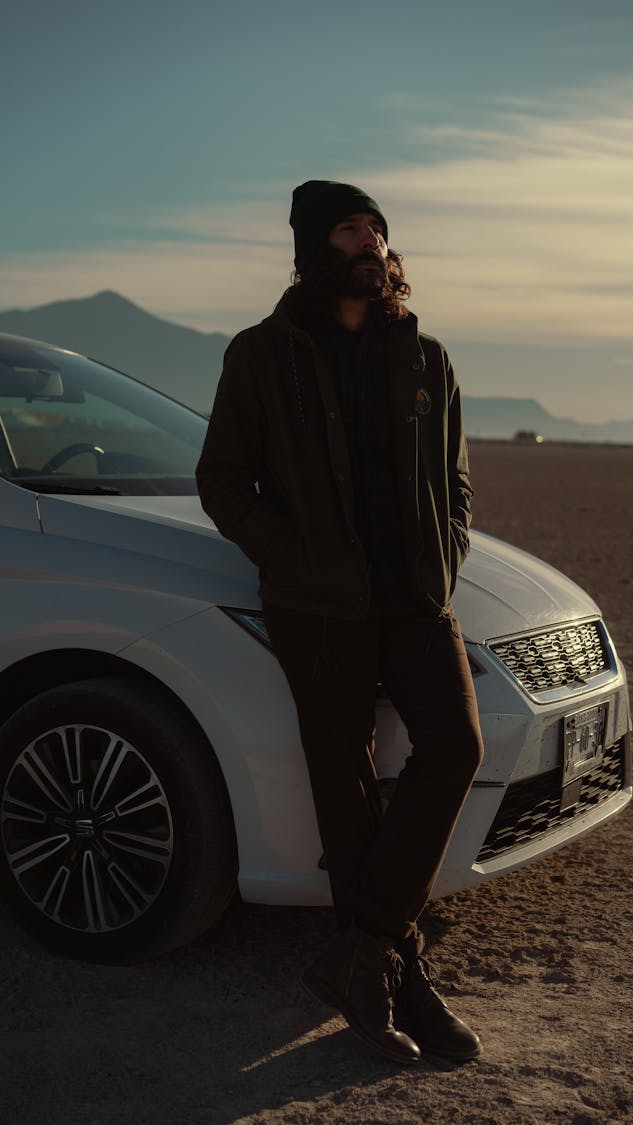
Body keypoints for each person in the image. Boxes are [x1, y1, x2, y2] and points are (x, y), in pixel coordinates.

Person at [196, 180, 484, 1066]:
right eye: (350, 228)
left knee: (455, 747)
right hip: (317, 602)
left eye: (377, 229)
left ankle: (363, 955)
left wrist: (445, 555)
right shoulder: (263, 354)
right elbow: (223, 480)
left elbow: (459, 483)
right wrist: (293, 557)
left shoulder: (426, 357)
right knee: (345, 781)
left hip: (413, 598)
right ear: (315, 248)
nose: (369, 240)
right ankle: (403, 974)